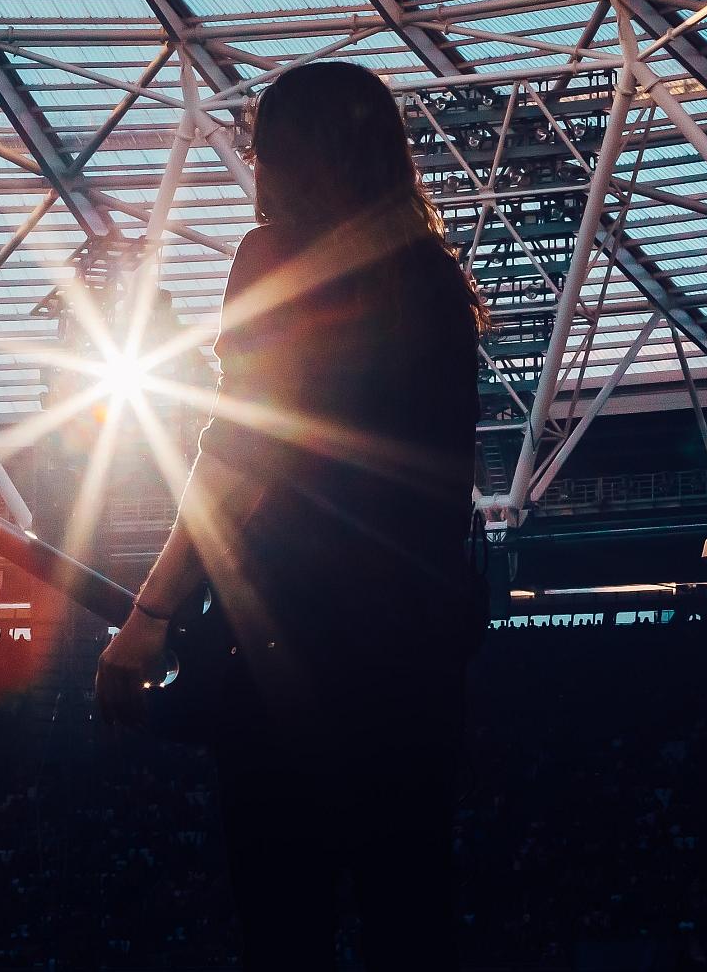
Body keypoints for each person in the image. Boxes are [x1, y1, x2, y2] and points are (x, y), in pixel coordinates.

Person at [96, 60, 489, 970]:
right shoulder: (435, 281)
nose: (253, 165)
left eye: (259, 148)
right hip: (416, 664)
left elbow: (243, 450)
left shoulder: (277, 256)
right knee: (410, 919)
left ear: (291, 157)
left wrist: (151, 613)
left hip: (290, 653)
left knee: (284, 926)